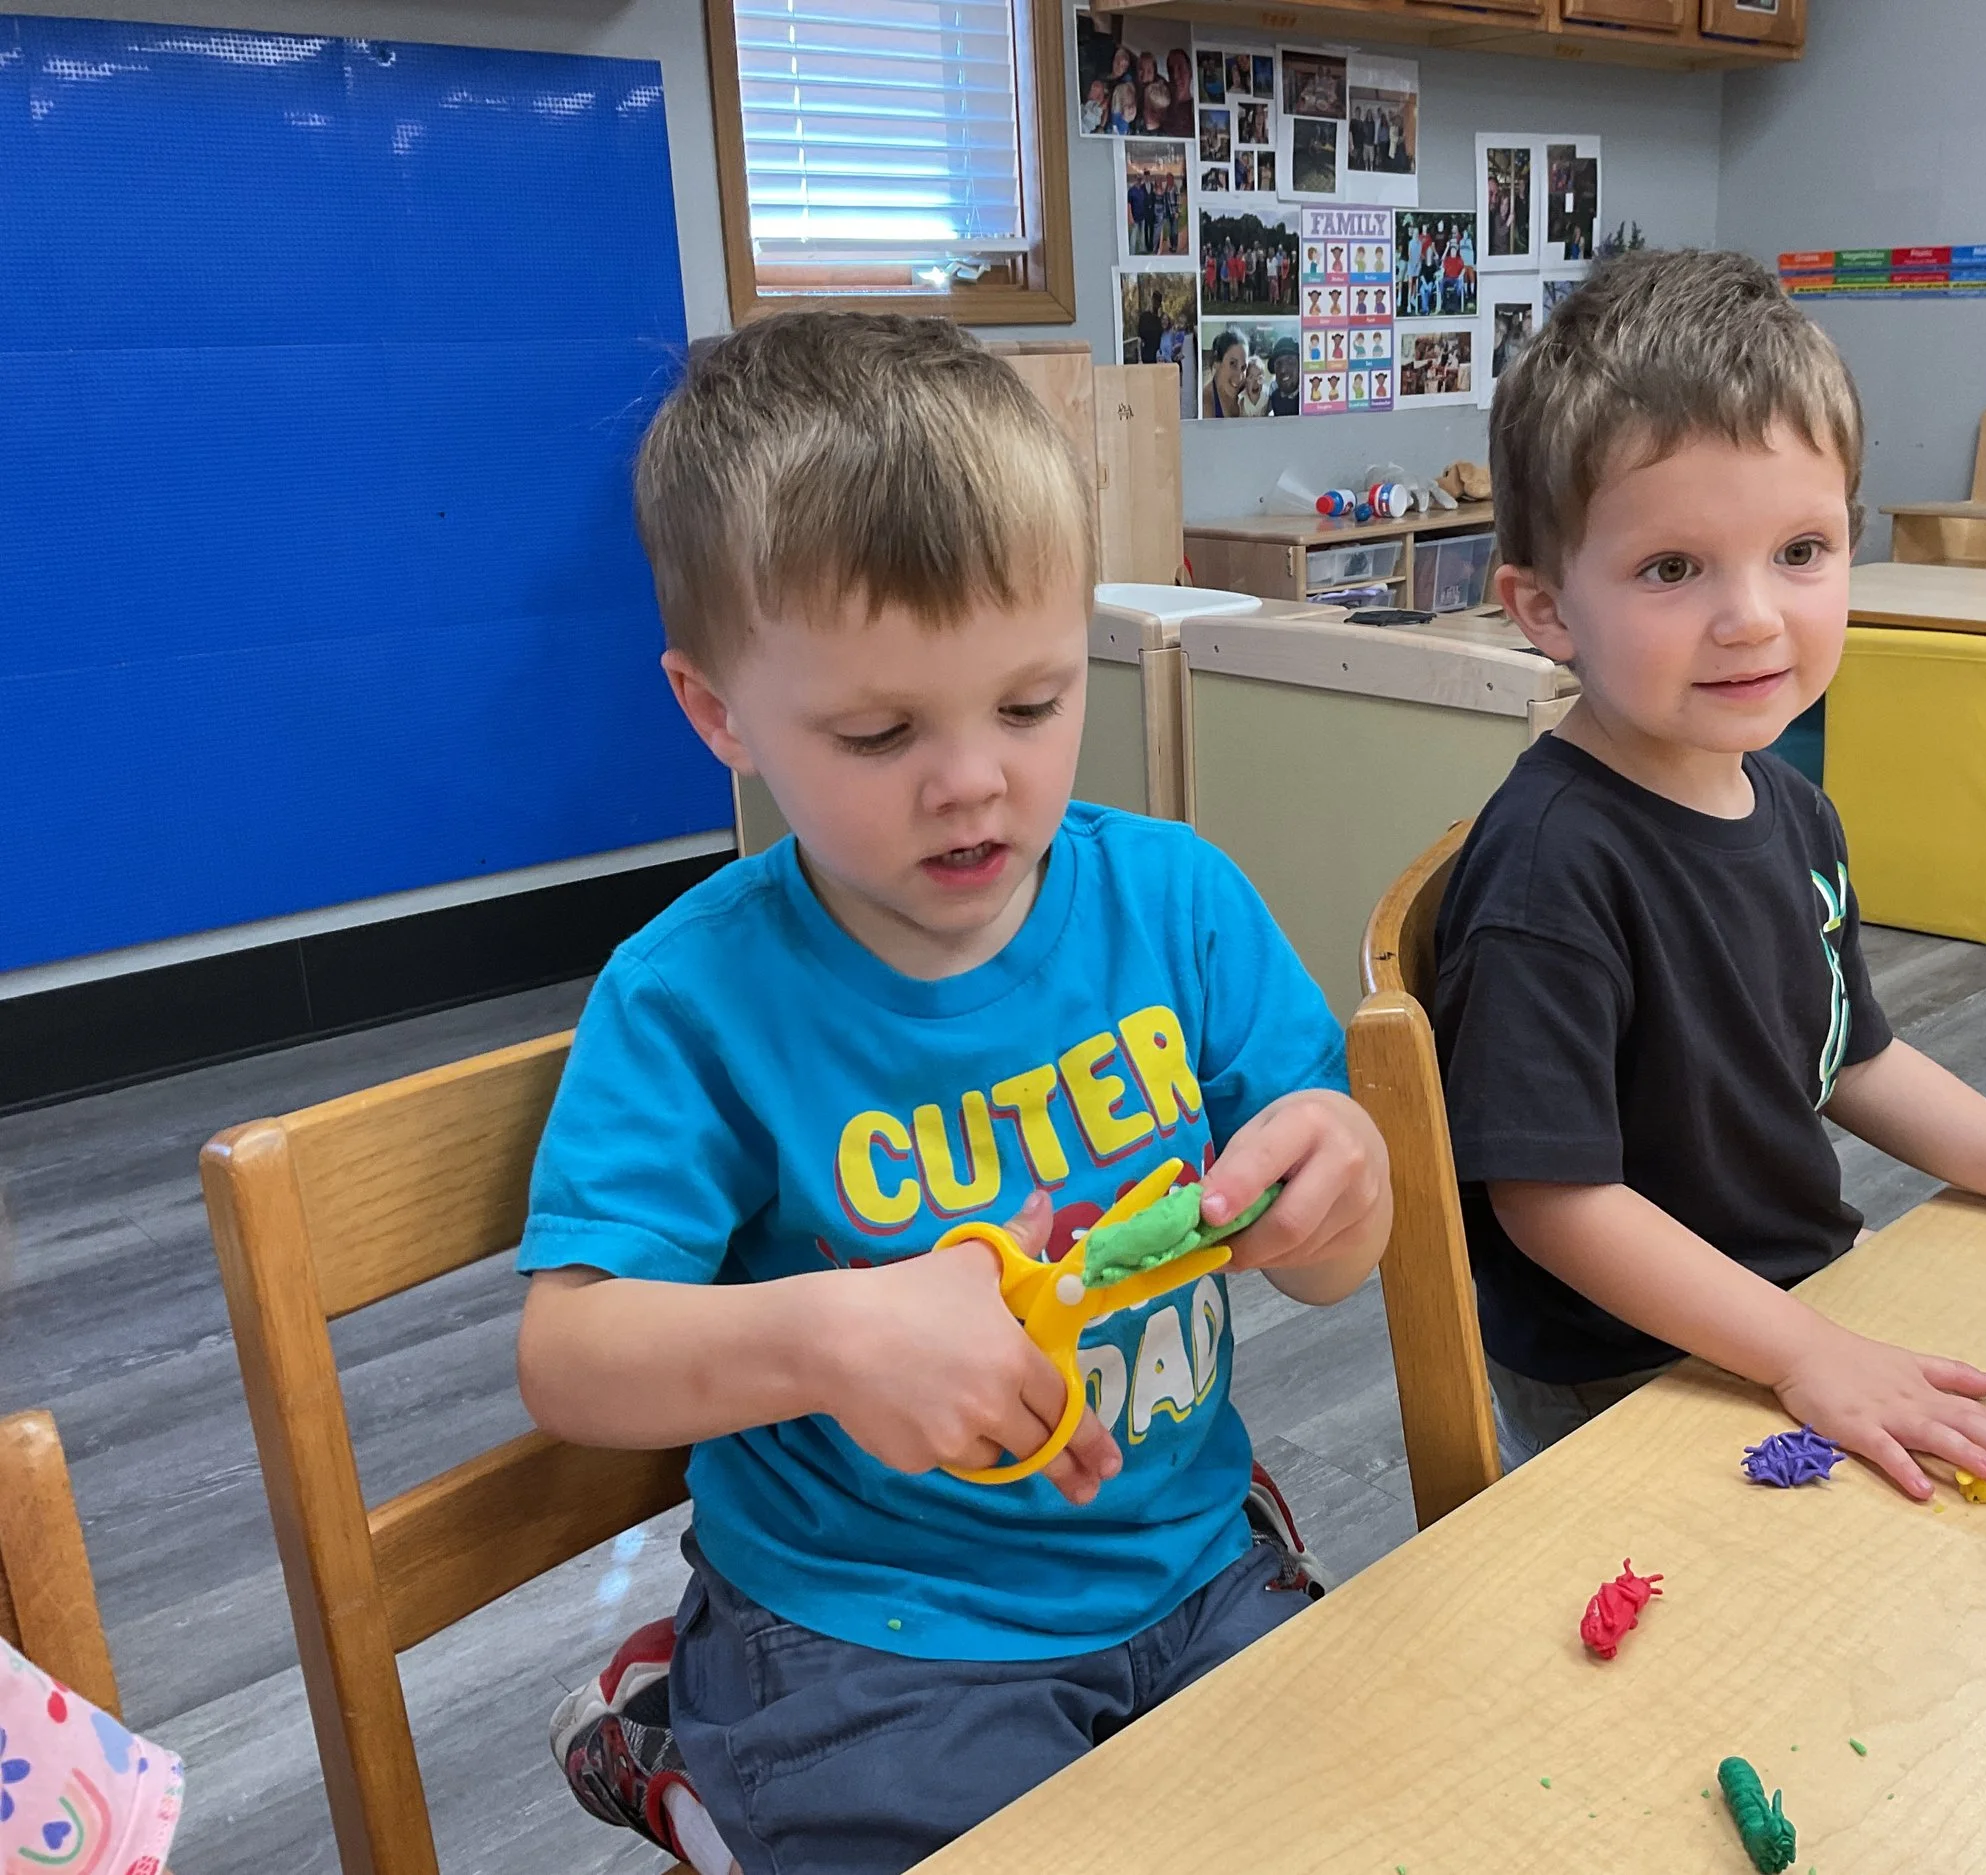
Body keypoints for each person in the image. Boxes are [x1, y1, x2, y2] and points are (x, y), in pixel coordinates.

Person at [518, 313, 1391, 1873]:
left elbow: (1332, 1264)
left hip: (1193, 1560)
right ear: (720, 713)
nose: (975, 779)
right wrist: (830, 1334)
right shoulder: (694, 996)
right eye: (879, 731)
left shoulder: (1178, 905)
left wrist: (1343, 1177)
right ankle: (697, 1726)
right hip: (870, 1633)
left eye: (1033, 702)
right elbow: (570, 1359)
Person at [1440, 249, 1986, 1490]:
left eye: (1800, 550)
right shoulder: (1550, 870)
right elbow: (1551, 1202)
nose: (1753, 617)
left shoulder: (1790, 807)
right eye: (1672, 569)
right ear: (1544, 610)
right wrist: (1808, 1353)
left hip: (1799, 1306)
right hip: (1631, 1372)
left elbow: (1855, 1058)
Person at [1202, 329, 1248, 418]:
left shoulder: (1246, 391)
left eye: (1243, 367)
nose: (1239, 377)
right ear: (1217, 363)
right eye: (1232, 363)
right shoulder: (1205, 404)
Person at [1266, 336, 1302, 416]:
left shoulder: (1308, 397)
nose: (1283, 370)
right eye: (1278, 364)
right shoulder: (1274, 398)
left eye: (1290, 361)